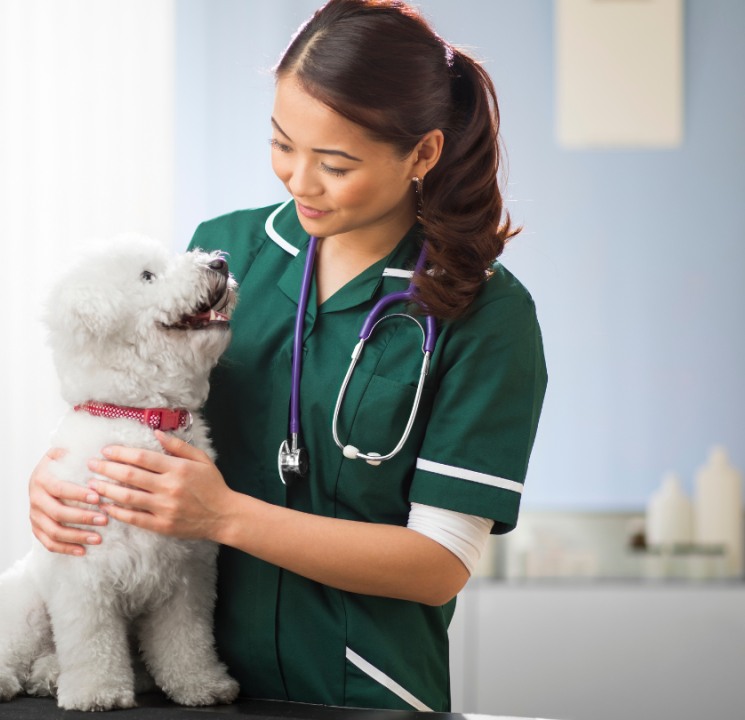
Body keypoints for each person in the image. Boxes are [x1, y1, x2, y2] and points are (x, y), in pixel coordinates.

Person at [27, 0, 546, 712]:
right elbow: (126, 396)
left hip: (360, 689)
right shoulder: (225, 254)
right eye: (281, 144)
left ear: (423, 153)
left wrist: (225, 517)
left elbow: (438, 565)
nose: (299, 180)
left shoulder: (484, 314)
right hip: (186, 684)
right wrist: (61, 480)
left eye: (335, 163)